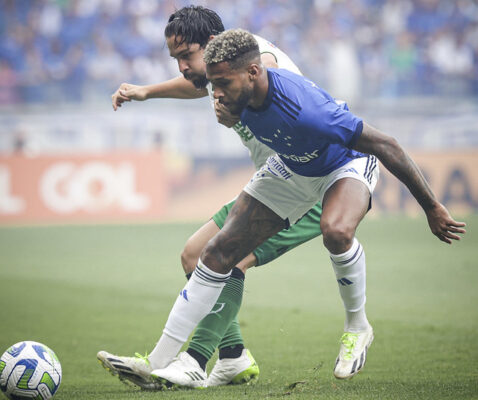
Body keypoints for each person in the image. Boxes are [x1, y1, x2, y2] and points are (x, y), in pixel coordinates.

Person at [147, 28, 466, 389]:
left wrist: (431, 207)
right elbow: (205, 89)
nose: (215, 93)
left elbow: (386, 144)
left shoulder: (306, 110)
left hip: (344, 166)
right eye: (212, 83)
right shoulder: (236, 98)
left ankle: (357, 327)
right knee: (218, 251)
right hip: (292, 167)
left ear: (253, 73)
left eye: (222, 83)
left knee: (336, 230)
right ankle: (164, 362)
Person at [97, 6, 330, 390]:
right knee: (194, 254)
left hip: (308, 187)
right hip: (275, 184)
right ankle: (233, 356)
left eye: (186, 56)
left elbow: (285, 99)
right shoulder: (225, 67)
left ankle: (191, 361)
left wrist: (240, 113)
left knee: (227, 255)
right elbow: (197, 83)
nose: (183, 67)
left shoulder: (261, 64)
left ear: (212, 46)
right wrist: (145, 92)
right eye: (176, 59)